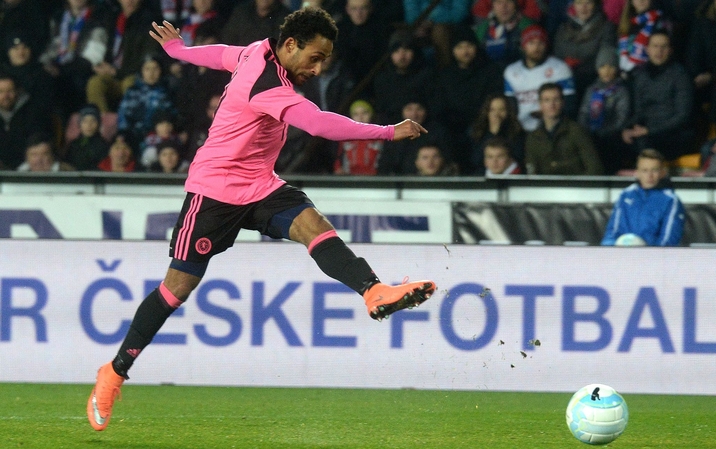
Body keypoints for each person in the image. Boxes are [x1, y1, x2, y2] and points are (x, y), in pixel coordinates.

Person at [87, 8, 436, 432]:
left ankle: (372, 290)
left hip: (259, 185)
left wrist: (180, 49)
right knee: (176, 289)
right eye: (315, 57)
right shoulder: (270, 86)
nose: (318, 66)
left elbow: (221, 54)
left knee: (313, 223)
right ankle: (115, 371)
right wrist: (386, 131)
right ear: (291, 45)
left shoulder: (259, 53)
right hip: (214, 192)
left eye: (324, 59)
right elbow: (320, 124)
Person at [429, 25, 503, 174]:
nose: (465, 51)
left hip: (481, 125)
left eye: (469, 45)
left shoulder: (490, 71)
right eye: (460, 47)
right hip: (453, 128)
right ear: (453, 50)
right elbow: (439, 106)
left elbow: (493, 101)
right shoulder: (445, 75)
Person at [621, 30, 694, 161]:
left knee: (645, 144)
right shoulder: (640, 74)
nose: (659, 51)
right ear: (647, 49)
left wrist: (649, 130)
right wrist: (628, 128)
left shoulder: (680, 75)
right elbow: (638, 111)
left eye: (664, 46)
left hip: (674, 134)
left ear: (670, 50)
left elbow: (682, 116)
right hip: (646, 130)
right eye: (655, 46)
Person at [84, 0, 163, 113]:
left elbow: (146, 60)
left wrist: (116, 72)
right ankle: (105, 125)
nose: (129, 1)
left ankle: (127, 126)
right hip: (113, 74)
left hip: (133, 74)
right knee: (95, 83)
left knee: (129, 84)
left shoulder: (149, 22)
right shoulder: (113, 18)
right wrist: (100, 65)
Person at [601, 148, 685, 246]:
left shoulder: (671, 201)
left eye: (654, 170)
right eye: (645, 170)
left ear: (662, 173)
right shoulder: (625, 195)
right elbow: (612, 232)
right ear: (637, 173)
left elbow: (668, 241)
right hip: (622, 257)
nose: (650, 175)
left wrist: (646, 256)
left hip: (653, 258)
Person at [503, 24, 576, 132]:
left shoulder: (559, 68)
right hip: (521, 130)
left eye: (540, 43)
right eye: (531, 43)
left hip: (553, 128)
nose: (536, 48)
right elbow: (510, 106)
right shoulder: (511, 71)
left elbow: (569, 105)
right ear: (523, 46)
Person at [524, 82, 603, 175]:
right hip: (546, 188)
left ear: (562, 102)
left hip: (575, 187)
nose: (552, 105)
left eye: (556, 99)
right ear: (540, 104)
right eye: (547, 100)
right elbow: (531, 172)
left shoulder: (576, 131)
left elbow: (594, 167)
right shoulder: (533, 137)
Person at [578, 45, 631, 174]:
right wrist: (585, 131)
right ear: (597, 69)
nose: (606, 71)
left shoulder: (621, 91)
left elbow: (621, 117)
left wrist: (604, 131)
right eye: (602, 67)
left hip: (611, 137)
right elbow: (584, 112)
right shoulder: (591, 90)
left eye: (611, 66)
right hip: (591, 134)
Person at [552, 0, 616, 100]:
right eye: (579, 3)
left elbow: (605, 59)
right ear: (573, 5)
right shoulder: (563, 29)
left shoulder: (606, 28)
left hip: (594, 83)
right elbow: (557, 57)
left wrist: (577, 65)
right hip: (567, 83)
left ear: (595, 5)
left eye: (588, 3)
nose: (583, 7)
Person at [0, 73, 51, 170]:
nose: (6, 96)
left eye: (10, 91)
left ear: (18, 91)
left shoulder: (34, 112)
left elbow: (39, 143)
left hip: (29, 169)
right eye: (1, 91)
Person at [473, 0, 537, 68]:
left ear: (515, 5)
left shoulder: (527, 26)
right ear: (493, 6)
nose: (503, 7)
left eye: (509, 2)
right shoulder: (483, 28)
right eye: (499, 2)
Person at [469, 93, 525, 171]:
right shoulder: (477, 132)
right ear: (487, 112)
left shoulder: (517, 133)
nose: (497, 114)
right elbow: (476, 161)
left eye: (501, 110)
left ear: (508, 112)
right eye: (492, 110)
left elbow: (517, 158)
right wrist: (492, 133)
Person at [616, 0, 670, 75]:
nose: (641, 1)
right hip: (625, 72)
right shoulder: (626, 21)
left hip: (652, 74)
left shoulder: (660, 21)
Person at [334, 99, 383, 175]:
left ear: (371, 114)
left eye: (364, 113)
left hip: (375, 181)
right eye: (356, 114)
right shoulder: (345, 139)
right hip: (350, 181)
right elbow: (338, 161)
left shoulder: (380, 137)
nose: (360, 117)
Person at [220, 0, 291, 46]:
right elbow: (228, 39)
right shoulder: (241, 12)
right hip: (239, 63)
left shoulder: (285, 17)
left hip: (270, 66)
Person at [63, 103, 109, 170]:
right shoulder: (73, 145)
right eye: (85, 121)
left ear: (98, 124)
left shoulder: (104, 145)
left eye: (93, 121)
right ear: (80, 124)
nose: (89, 125)